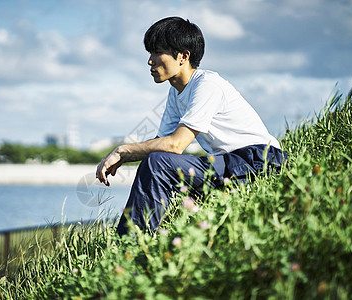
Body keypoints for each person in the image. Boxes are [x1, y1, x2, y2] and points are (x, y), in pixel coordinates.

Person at [96, 16, 287, 235]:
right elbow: (161, 144)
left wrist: (122, 151)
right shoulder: (176, 93)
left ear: (183, 56)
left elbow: (175, 146)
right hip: (229, 165)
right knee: (156, 161)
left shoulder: (207, 84)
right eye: (150, 53)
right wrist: (128, 156)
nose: (151, 61)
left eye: (158, 52)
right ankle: (138, 239)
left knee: (158, 163)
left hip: (259, 162)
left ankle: (128, 246)